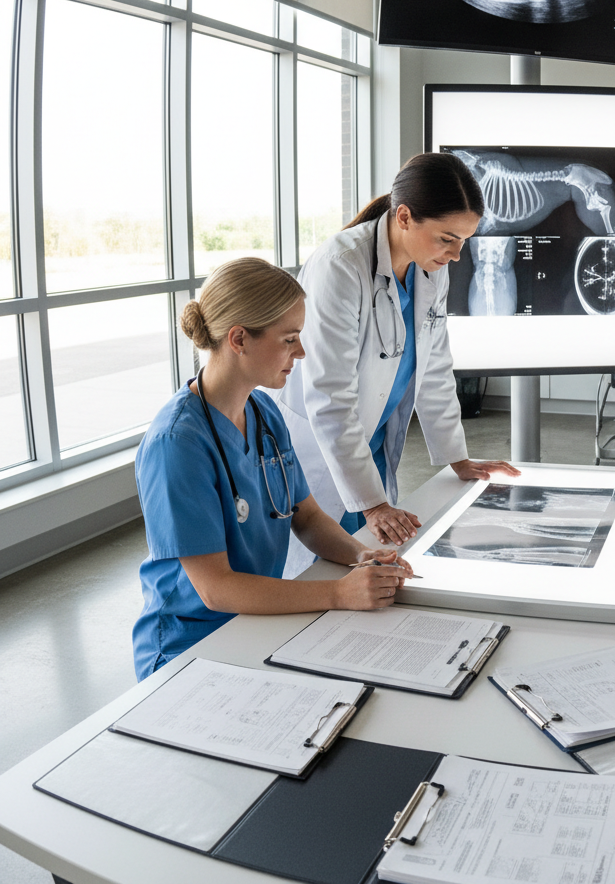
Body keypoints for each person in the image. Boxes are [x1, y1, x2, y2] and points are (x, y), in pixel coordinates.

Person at [132, 258, 412, 681]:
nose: (300, 352)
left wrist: (361, 556)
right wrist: (338, 593)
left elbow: (308, 517)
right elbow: (216, 588)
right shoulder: (177, 444)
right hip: (188, 648)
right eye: (289, 339)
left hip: (256, 622)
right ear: (239, 339)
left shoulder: (263, 411)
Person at [277, 152, 518, 565]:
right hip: (323, 445)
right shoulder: (340, 266)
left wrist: (456, 457)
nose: (458, 255)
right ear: (404, 216)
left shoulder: (431, 267)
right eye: (447, 238)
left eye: (464, 240)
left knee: (369, 563)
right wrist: (372, 504)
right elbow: (329, 396)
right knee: (316, 572)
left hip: (371, 437)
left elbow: (436, 366)